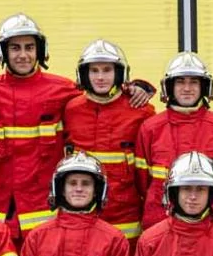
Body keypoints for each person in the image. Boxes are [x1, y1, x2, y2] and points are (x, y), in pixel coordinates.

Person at [0, 14, 80, 237]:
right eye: (15, 48)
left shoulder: (64, 89)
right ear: (2, 52)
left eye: (29, 47)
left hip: (44, 207)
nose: (23, 55)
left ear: (40, 50)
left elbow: (102, 102)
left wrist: (132, 89)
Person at [136, 52, 213, 233]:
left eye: (193, 82)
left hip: (211, 220)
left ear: (204, 86)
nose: (187, 88)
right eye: (180, 82)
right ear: (169, 87)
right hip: (160, 219)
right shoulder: (150, 128)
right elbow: (141, 180)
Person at [61, 39, 154, 243]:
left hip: (125, 215)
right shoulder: (71, 109)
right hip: (82, 210)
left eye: (107, 70)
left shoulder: (141, 110)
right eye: (94, 71)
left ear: (119, 73)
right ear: (84, 74)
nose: (100, 77)